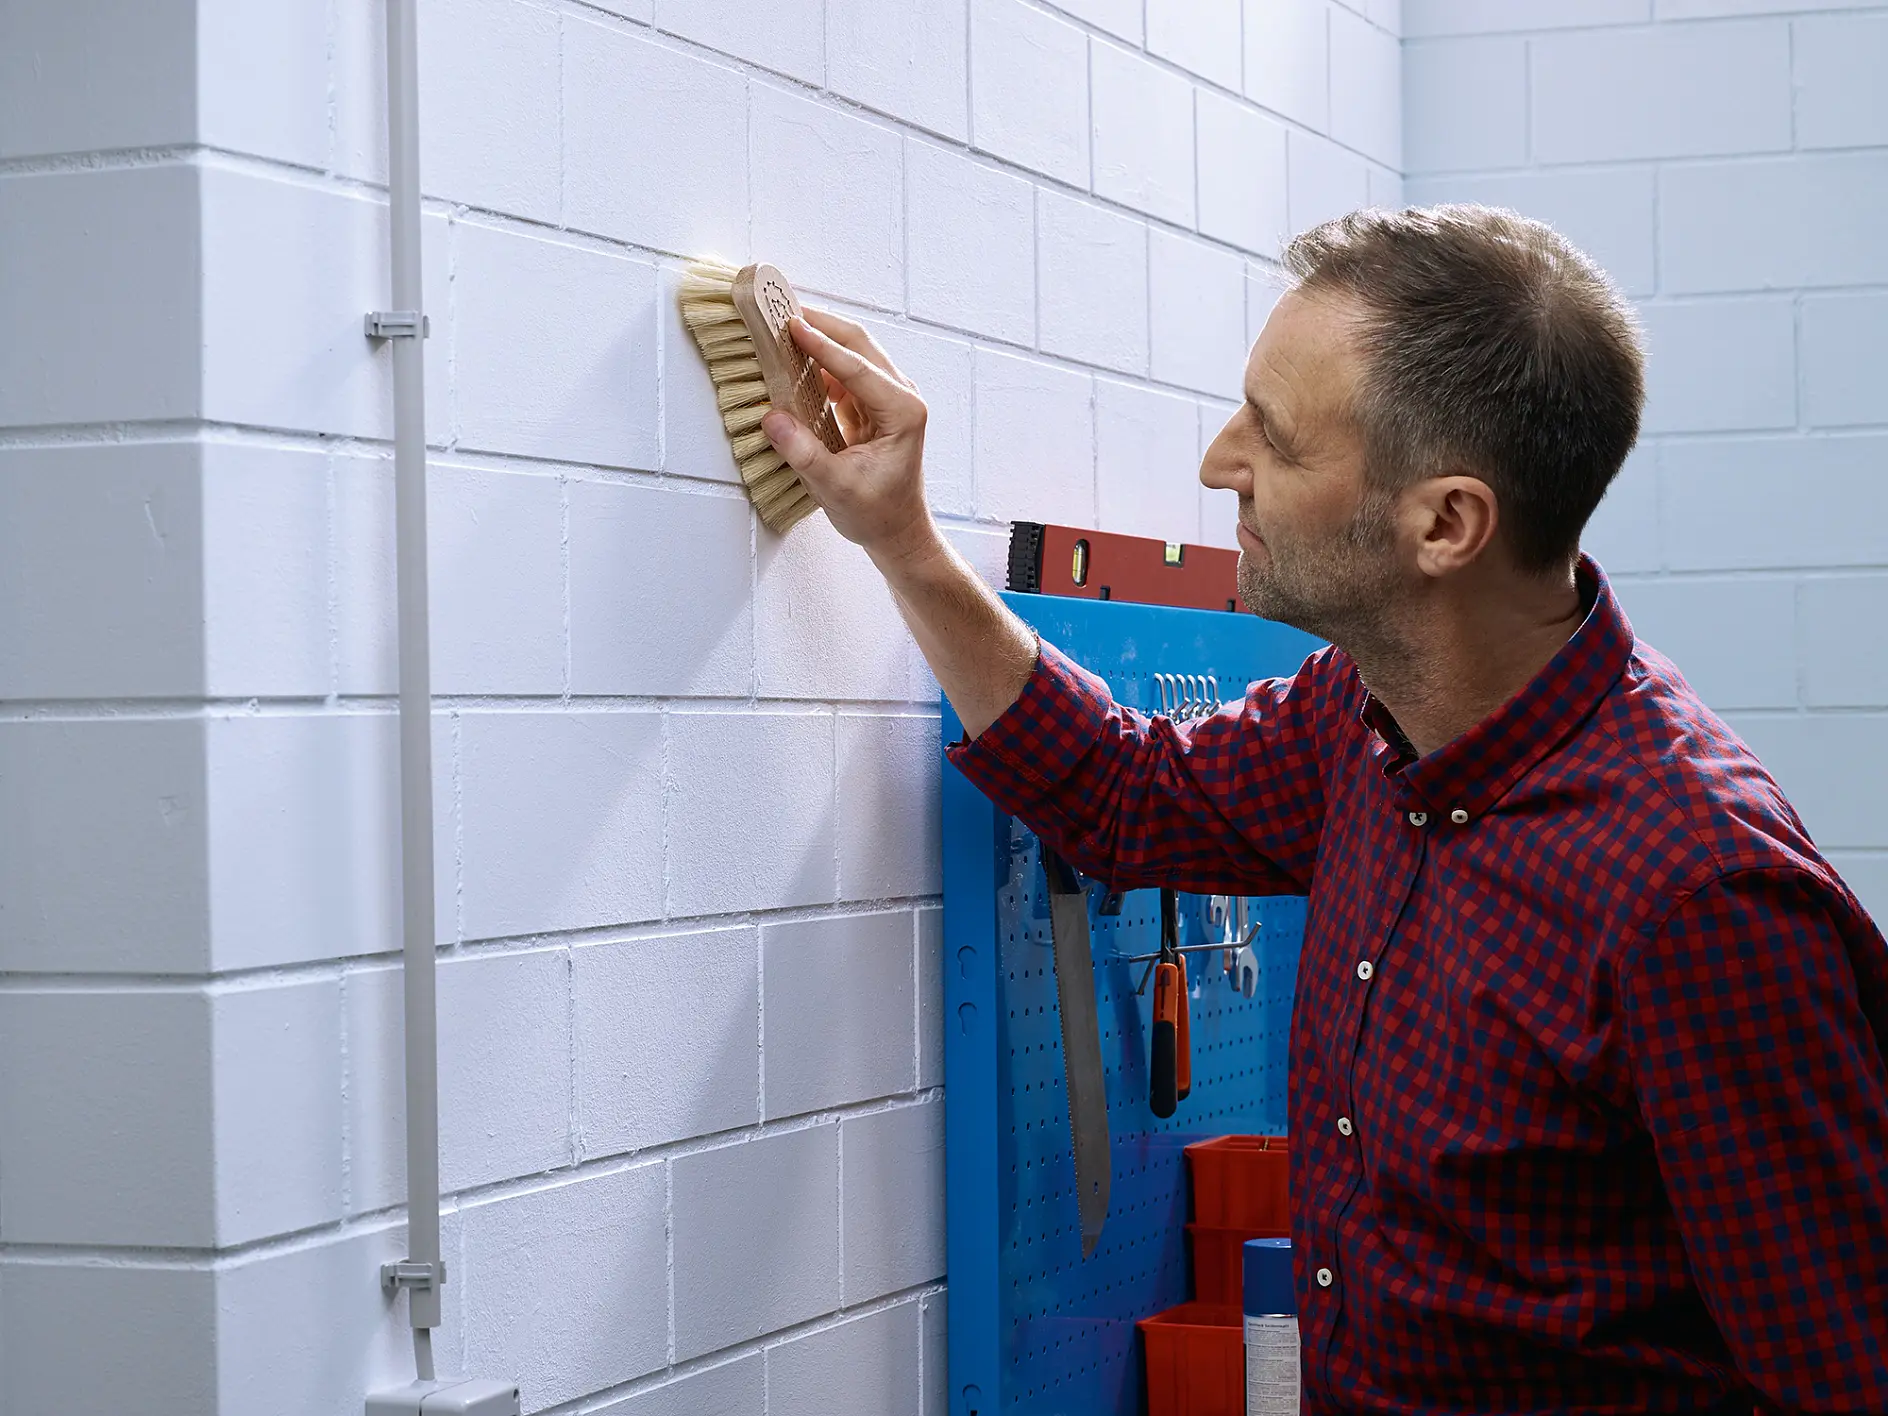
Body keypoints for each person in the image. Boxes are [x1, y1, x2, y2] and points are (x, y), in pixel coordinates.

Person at [759, 205, 1888, 1415]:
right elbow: (1128, 797)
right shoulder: (1358, 712)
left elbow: (1846, 1377)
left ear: (1444, 524)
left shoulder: (1701, 900)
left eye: (1276, 440)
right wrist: (902, 540)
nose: (1216, 463)